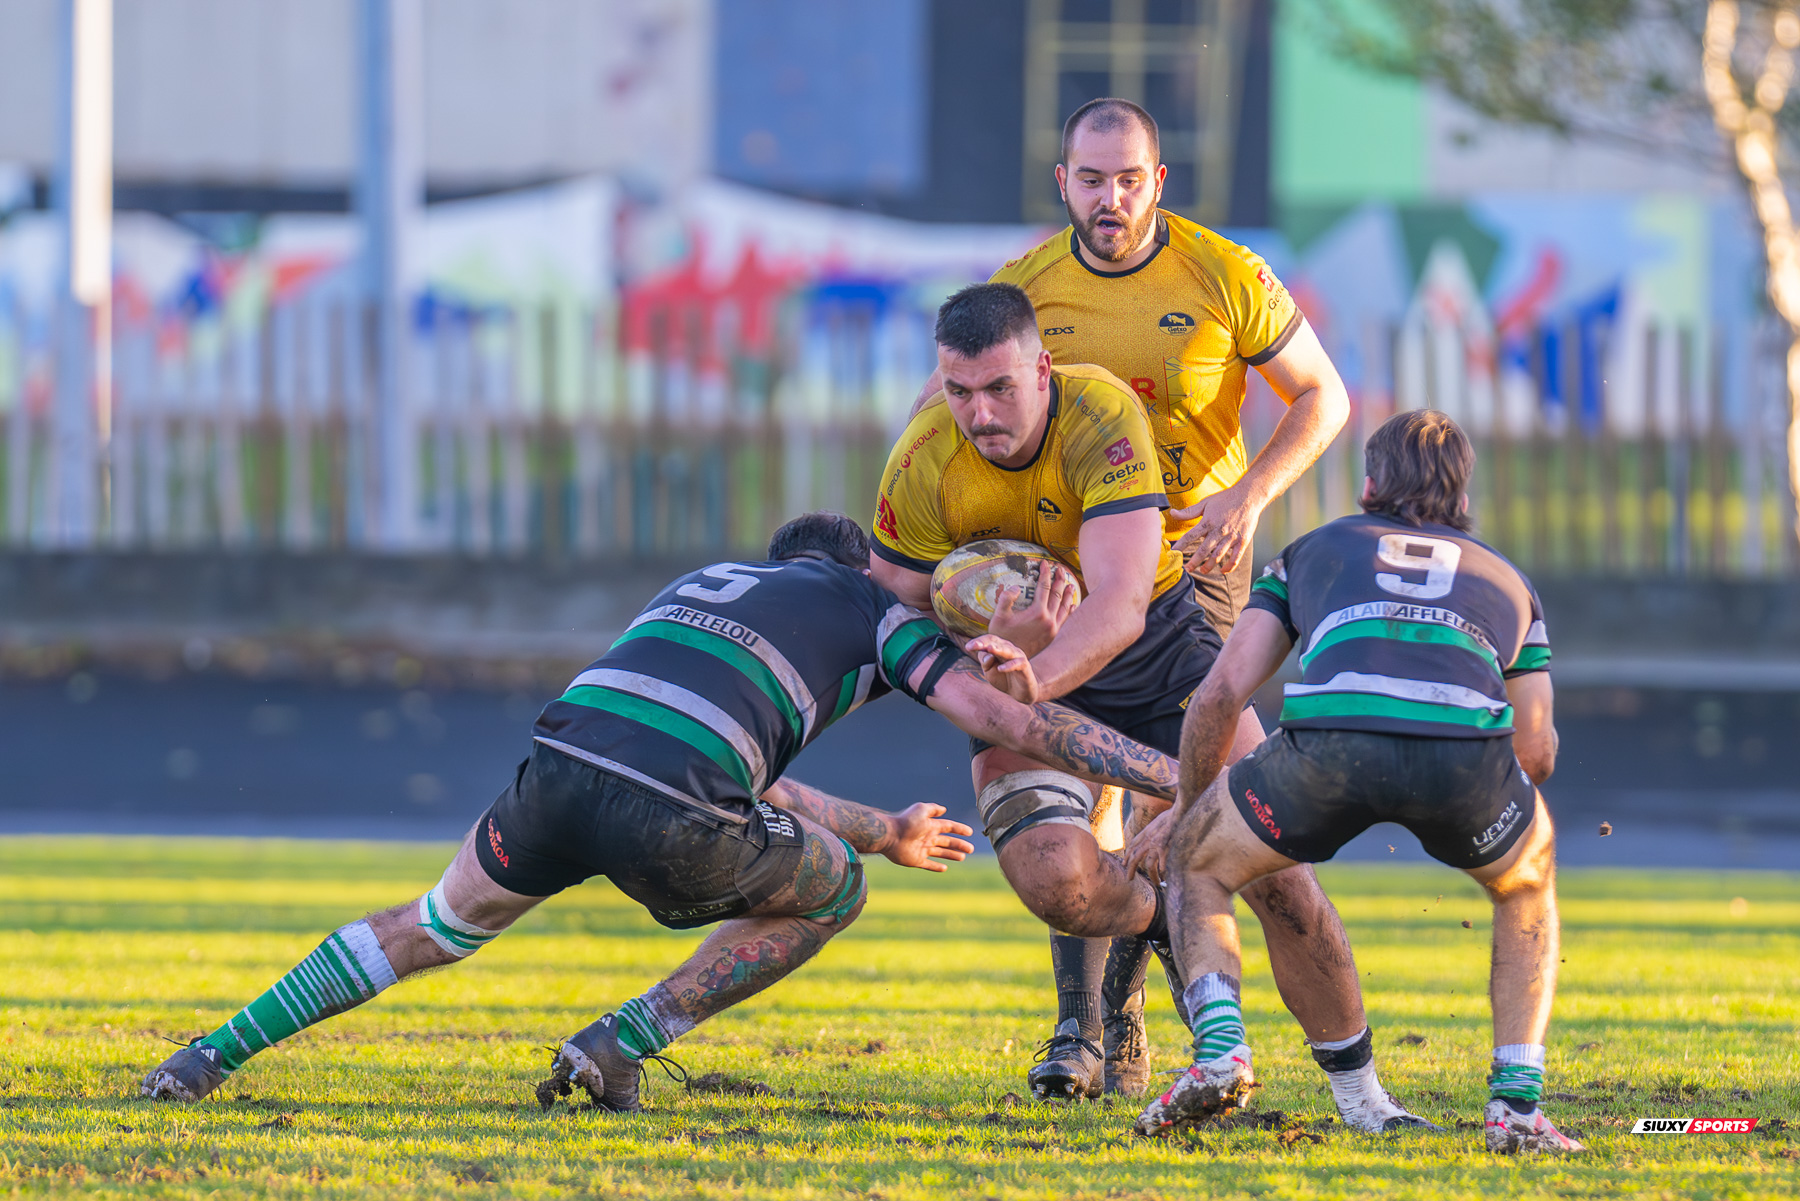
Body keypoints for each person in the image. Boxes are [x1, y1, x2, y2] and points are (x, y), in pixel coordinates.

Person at [140, 512, 1186, 1111]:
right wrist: (1158, 764)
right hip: (670, 805)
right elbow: (1002, 712)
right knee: (834, 890)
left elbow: (731, 755)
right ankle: (624, 1040)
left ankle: (209, 1055)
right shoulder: (874, 609)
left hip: (561, 761)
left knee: (432, 926)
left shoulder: (708, 581)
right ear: (863, 564)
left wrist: (885, 821)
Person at [873, 283, 1426, 1130]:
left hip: (1154, 654)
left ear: (1042, 368)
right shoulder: (922, 458)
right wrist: (973, 649)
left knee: (1278, 874)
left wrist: (1033, 671)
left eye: (1000, 388)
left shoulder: (1100, 414)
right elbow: (895, 598)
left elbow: (1122, 604)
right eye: (959, 391)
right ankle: (1163, 923)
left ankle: (1364, 1099)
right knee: (1056, 881)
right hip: (1013, 665)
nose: (979, 413)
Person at [909, 97, 1352, 1098]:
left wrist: (1249, 493)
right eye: (1091, 178)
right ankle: (1084, 1029)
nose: (1111, 198)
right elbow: (946, 412)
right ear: (1062, 181)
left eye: (1129, 178)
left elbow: (1327, 397)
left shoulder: (1223, 272)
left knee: (1175, 794)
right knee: (1078, 786)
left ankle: (1143, 1019)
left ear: (1160, 181)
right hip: (1065, 569)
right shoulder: (1023, 287)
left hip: (1194, 563)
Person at [1126, 411, 1583, 1154]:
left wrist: (1189, 808)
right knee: (1527, 888)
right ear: (1462, 492)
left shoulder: (1313, 550)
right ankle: (1518, 1108)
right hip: (1462, 758)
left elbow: (1219, 695)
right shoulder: (1510, 581)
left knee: (1199, 861)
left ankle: (1221, 1053)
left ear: (1369, 483)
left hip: (1329, 747)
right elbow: (1534, 747)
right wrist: (1502, 809)